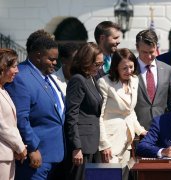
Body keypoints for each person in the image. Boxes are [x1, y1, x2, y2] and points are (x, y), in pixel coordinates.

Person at [5, 36, 65, 180]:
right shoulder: (21, 77)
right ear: (38, 56)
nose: (55, 63)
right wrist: (33, 148)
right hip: (36, 158)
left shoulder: (47, 76)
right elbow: (21, 118)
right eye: (51, 59)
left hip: (55, 155)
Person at [97, 48, 147, 178]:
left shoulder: (134, 80)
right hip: (110, 142)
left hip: (127, 142)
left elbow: (129, 111)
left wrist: (140, 130)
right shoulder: (104, 82)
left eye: (131, 67)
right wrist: (104, 145)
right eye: (124, 68)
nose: (129, 71)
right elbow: (99, 116)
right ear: (115, 67)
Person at [64, 42, 103, 180]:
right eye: (96, 64)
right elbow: (72, 115)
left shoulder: (91, 78)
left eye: (101, 64)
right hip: (82, 146)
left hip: (92, 142)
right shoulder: (78, 79)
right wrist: (76, 147)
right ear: (86, 61)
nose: (99, 68)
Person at [134, 29, 171, 129]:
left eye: (151, 52)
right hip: (136, 129)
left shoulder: (167, 69)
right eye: (144, 52)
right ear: (137, 47)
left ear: (156, 47)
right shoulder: (130, 70)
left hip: (162, 128)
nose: (149, 56)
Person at [0, 49, 27, 180]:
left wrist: (17, 148)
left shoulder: (3, 90)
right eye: (14, 66)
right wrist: (20, 147)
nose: (17, 71)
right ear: (3, 67)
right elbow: (2, 127)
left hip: (7, 154)